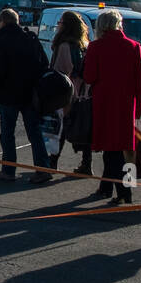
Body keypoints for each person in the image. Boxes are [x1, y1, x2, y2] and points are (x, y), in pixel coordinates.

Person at [83, 8, 141, 205]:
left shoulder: (96, 47)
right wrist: (140, 107)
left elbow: (89, 76)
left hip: (104, 102)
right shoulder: (133, 46)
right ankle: (109, 186)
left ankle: (121, 190)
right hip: (126, 103)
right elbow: (140, 81)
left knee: (111, 149)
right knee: (123, 148)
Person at [0, 8, 51, 184]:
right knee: (34, 132)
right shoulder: (30, 38)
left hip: (9, 93)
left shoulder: (1, 41)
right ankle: (42, 168)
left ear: (2, 22)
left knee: (7, 133)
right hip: (30, 92)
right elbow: (43, 63)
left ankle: (8, 170)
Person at [50, 9, 91, 174]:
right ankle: (86, 164)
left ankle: (52, 164)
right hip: (83, 92)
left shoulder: (65, 45)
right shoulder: (83, 45)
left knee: (60, 129)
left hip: (67, 93)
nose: (58, 25)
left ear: (65, 26)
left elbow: (61, 71)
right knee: (84, 127)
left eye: (60, 22)